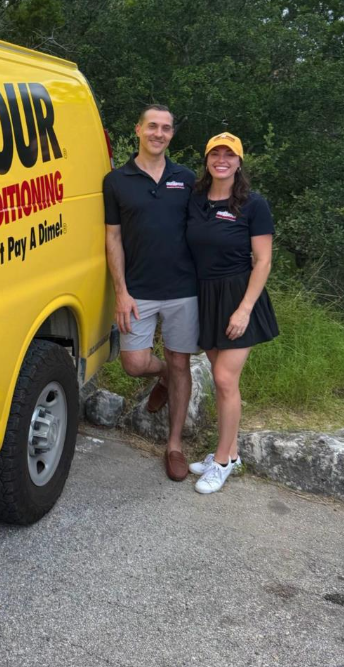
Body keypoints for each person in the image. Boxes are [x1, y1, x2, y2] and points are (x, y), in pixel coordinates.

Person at [103, 105, 199, 482]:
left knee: (181, 363)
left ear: (172, 135)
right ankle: (161, 378)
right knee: (133, 364)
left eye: (166, 128)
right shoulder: (116, 181)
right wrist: (121, 292)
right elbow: (112, 238)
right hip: (137, 290)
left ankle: (173, 445)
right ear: (138, 130)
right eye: (152, 126)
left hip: (182, 290)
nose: (159, 133)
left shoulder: (187, 179)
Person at [185, 132, 279, 494]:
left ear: (239, 162)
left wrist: (244, 309)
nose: (221, 159)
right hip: (206, 296)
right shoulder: (195, 200)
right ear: (207, 160)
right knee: (225, 381)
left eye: (229, 154)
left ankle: (221, 462)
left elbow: (264, 260)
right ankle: (233, 454)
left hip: (241, 297)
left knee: (224, 379)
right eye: (215, 153)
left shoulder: (254, 204)